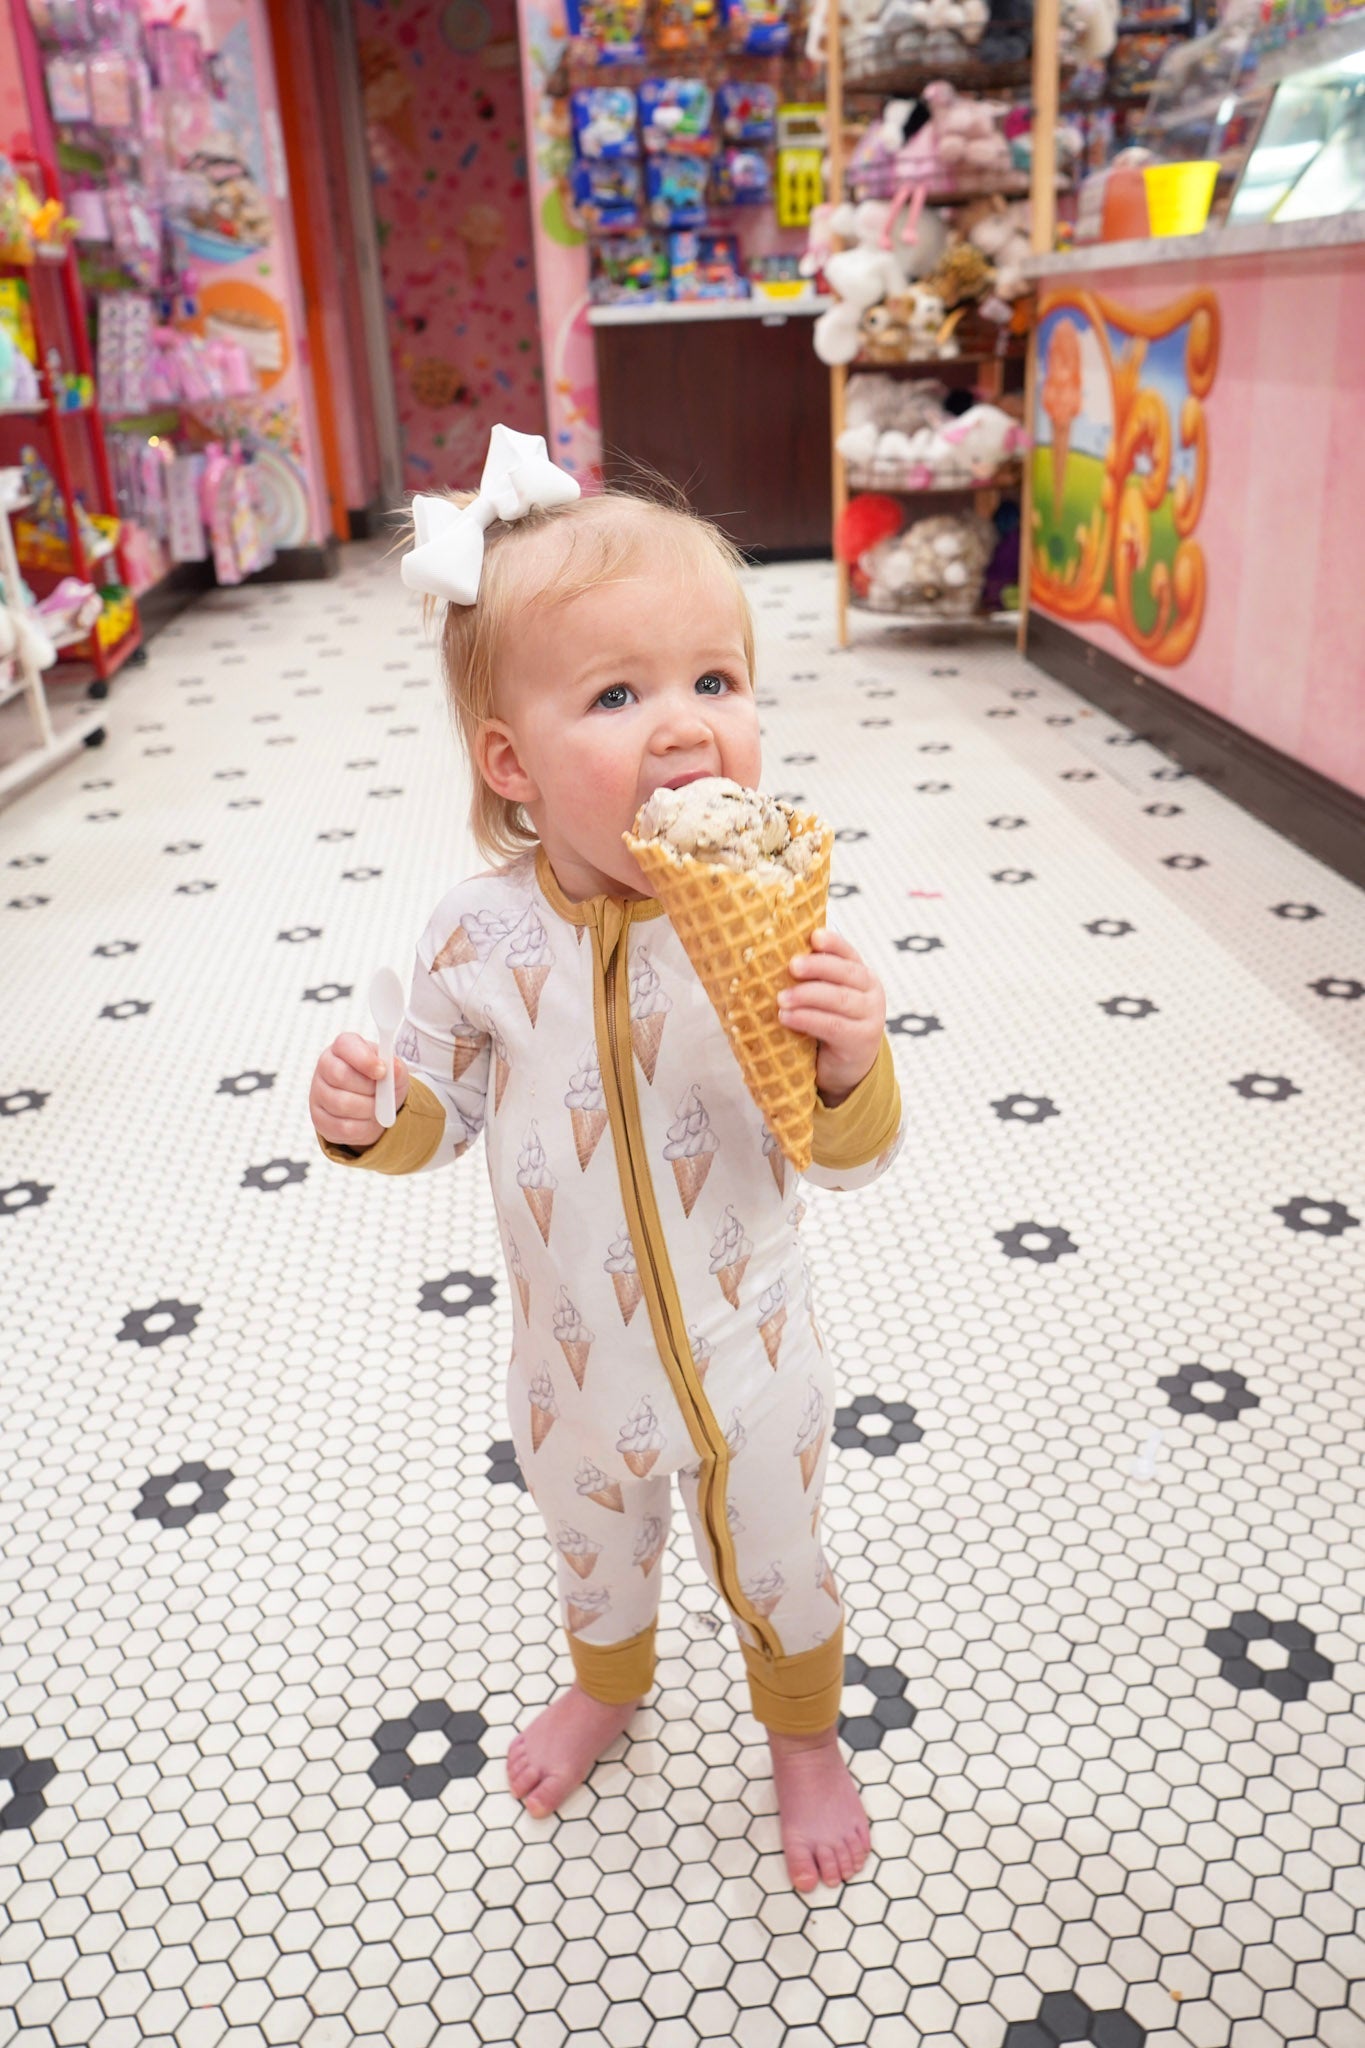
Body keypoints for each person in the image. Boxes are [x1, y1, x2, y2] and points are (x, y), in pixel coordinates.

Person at [308, 427, 904, 1892]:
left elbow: (847, 1155)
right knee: (592, 1546)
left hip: (754, 1350)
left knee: (782, 1562)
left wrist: (849, 1060)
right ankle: (609, 1684)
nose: (688, 730)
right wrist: (372, 1113)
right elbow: (441, 1110)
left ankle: (803, 1736)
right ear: (511, 763)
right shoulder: (475, 935)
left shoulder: (767, 923)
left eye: (716, 681)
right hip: (570, 1361)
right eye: (619, 696)